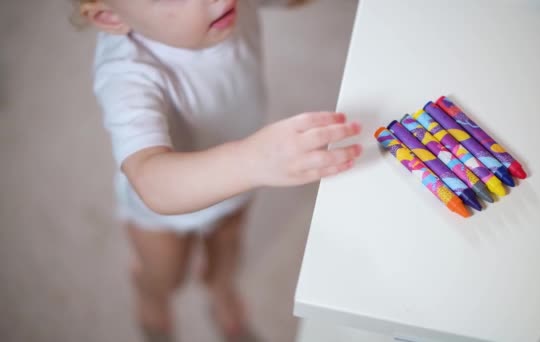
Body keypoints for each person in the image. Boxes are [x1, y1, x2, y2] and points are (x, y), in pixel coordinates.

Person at [75, 0, 362, 341]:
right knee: (167, 274)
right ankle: (150, 295)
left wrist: (251, 166)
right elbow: (151, 181)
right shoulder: (125, 72)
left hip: (237, 183)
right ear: (111, 16)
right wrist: (254, 160)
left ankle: (221, 290)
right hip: (166, 213)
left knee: (228, 250)